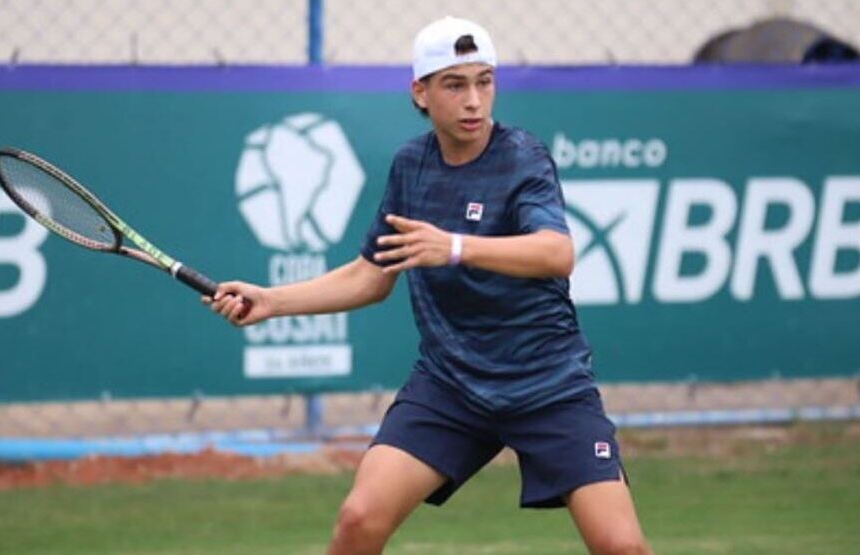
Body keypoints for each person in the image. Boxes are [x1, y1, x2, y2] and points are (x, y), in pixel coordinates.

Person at [206, 16, 651, 555]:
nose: (474, 101)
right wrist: (271, 301)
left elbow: (557, 253)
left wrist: (456, 246)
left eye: (484, 81)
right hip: (451, 387)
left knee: (621, 547)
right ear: (420, 91)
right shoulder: (410, 166)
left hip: (547, 386)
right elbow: (373, 275)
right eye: (455, 84)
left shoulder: (522, 157)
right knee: (359, 519)